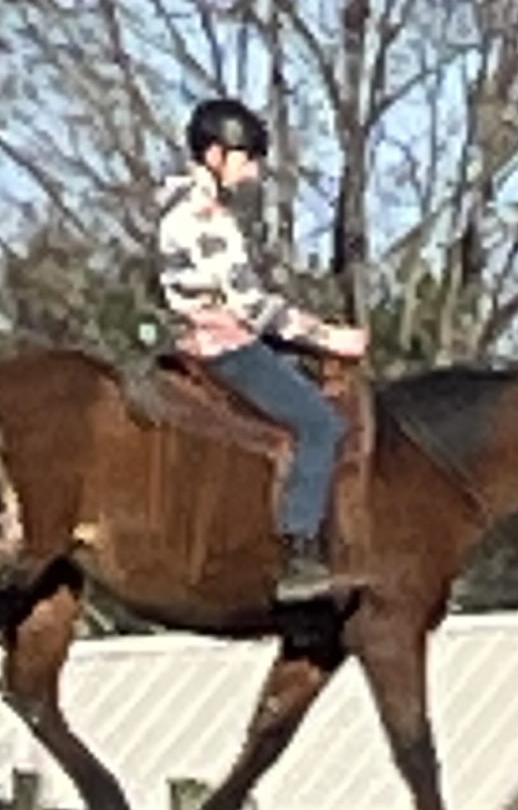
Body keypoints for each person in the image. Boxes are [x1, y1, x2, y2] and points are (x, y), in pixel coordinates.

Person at [155, 96, 370, 603]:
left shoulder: (177, 205)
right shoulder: (205, 217)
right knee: (320, 424)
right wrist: (329, 337)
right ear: (215, 155)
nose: (251, 171)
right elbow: (252, 307)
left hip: (203, 337)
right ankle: (300, 549)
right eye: (245, 157)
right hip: (224, 347)